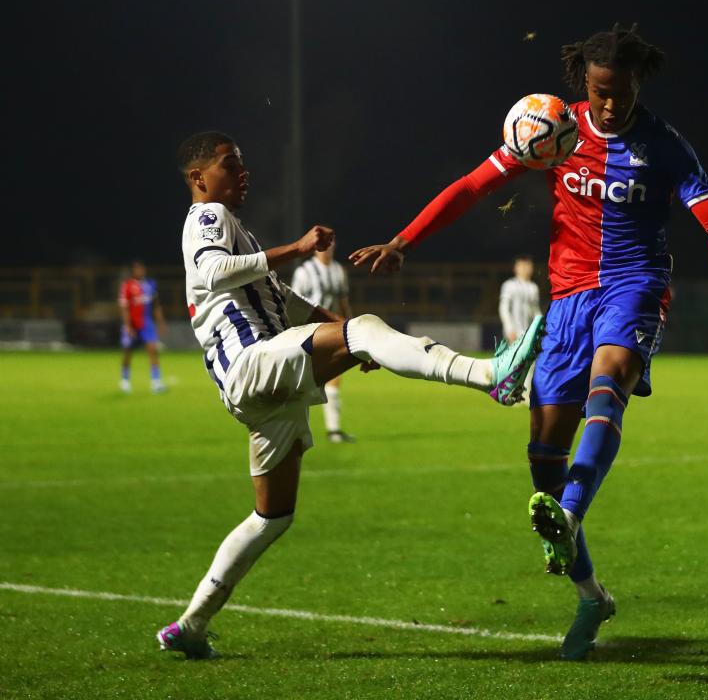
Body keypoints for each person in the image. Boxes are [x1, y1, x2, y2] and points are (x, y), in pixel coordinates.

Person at [351, 24, 708, 660]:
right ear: (583, 83)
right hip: (567, 302)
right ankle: (592, 595)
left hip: (635, 284)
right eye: (600, 91)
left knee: (613, 376)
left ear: (635, 85)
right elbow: (473, 186)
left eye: (621, 92)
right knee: (543, 459)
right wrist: (404, 240)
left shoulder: (664, 146)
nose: (610, 104)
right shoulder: (551, 129)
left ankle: (570, 513)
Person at [157, 131, 545, 659]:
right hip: (252, 364)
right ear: (200, 179)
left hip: (255, 384)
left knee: (272, 516)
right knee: (363, 329)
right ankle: (490, 376)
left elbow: (282, 299)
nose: (243, 171)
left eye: (243, 162)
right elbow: (210, 271)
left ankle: (192, 624)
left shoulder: (235, 229)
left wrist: (338, 330)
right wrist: (298, 253)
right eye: (230, 164)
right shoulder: (209, 218)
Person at [292, 239, 356, 442]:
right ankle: (295, 430)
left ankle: (334, 430)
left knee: (334, 377)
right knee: (301, 382)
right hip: (306, 331)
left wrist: (352, 327)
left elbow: (343, 302)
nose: (329, 249)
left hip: (332, 331)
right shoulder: (304, 271)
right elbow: (293, 302)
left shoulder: (338, 271)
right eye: (325, 245)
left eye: (332, 245)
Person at [118, 260, 166, 393]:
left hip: (147, 323)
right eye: (138, 269)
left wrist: (161, 322)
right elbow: (124, 307)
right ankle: (125, 380)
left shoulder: (150, 285)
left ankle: (156, 382)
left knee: (153, 350)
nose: (141, 271)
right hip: (132, 323)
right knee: (128, 351)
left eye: (142, 268)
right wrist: (127, 325)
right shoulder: (127, 286)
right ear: (133, 271)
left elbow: (156, 305)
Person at [499, 255, 541, 343]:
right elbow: (504, 309)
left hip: (529, 333)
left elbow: (535, 310)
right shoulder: (509, 285)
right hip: (513, 334)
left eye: (528, 265)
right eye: (522, 265)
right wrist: (509, 329)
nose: (525, 268)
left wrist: (539, 326)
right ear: (515, 268)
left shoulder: (534, 288)